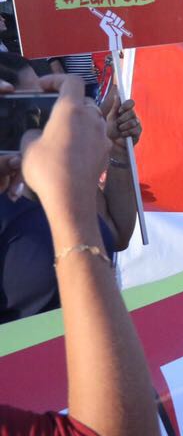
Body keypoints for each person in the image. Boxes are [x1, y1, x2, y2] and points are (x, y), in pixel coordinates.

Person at [0, 73, 167, 436]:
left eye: (41, 108)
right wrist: (69, 205)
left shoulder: (36, 185)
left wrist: (112, 151)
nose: (36, 127)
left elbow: (115, 230)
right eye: (26, 110)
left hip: (83, 393)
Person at [0, 54, 142, 324]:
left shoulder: (55, 169)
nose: (45, 118)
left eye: (48, 101)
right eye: (30, 108)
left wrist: (118, 149)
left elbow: (117, 234)